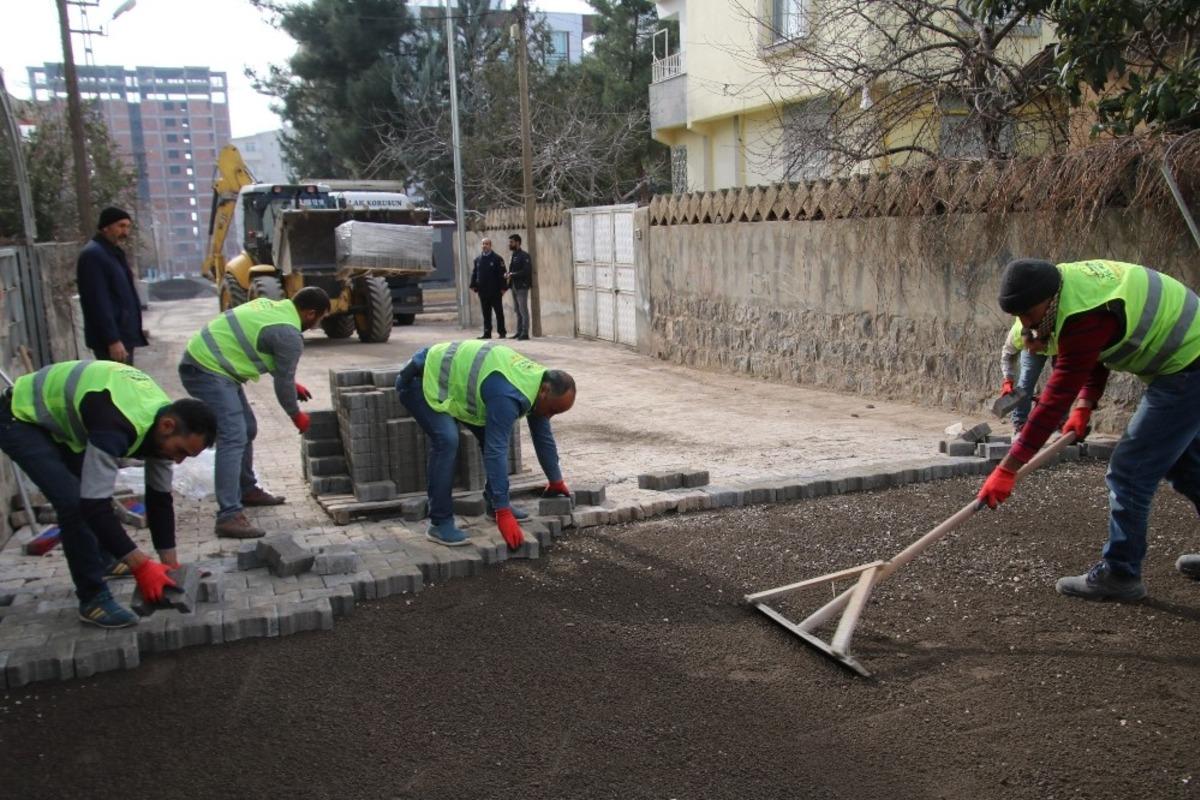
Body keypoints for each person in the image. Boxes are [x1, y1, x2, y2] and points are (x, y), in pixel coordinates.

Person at [977, 258, 1200, 601]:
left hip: (1188, 366)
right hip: (1186, 360)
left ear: (1047, 298)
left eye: (1028, 313)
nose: (1025, 323)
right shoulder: (1068, 291)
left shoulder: (1081, 315)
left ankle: (1121, 574)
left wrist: (1008, 467)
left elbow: (1053, 401)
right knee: (1186, 467)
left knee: (1129, 471)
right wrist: (1084, 406)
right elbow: (1099, 355)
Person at [0, 360, 216, 628]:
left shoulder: (162, 428)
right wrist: (141, 565)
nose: (179, 461)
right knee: (75, 504)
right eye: (181, 451)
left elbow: (159, 499)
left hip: (68, 422)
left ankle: (106, 560)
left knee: (91, 493)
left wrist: (170, 567)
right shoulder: (116, 424)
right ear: (168, 426)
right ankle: (93, 600)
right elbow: (93, 505)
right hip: (21, 417)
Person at [178, 287, 330, 539]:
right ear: (310, 313)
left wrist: (290, 382)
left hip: (213, 363)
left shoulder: (274, 308)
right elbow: (281, 384)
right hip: (206, 368)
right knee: (233, 435)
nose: (316, 326)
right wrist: (296, 415)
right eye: (319, 320)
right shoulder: (290, 334)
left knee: (247, 427)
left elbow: (260, 343)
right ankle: (228, 515)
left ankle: (246, 489)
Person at [395, 340, 576, 548]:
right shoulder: (509, 394)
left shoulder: (538, 385)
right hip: (420, 379)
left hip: (452, 383)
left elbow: (542, 436)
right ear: (545, 391)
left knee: (494, 437)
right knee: (447, 440)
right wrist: (504, 512)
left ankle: (492, 502)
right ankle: (439, 522)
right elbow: (495, 451)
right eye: (553, 409)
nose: (550, 416)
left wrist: (556, 480)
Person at [77, 207, 149, 365]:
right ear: (105, 227)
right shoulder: (94, 255)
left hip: (123, 335)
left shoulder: (112, 253)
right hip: (113, 341)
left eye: (128, 227)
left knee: (124, 384)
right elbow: (97, 302)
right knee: (116, 385)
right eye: (121, 226)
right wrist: (112, 340)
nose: (125, 232)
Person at [998, 319, 1050, 432]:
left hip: (1056, 346)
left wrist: (1051, 397)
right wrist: (1008, 380)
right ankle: (1020, 422)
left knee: (1061, 386)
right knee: (1025, 381)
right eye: (1027, 347)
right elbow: (1007, 356)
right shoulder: (1017, 334)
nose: (1029, 352)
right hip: (1041, 344)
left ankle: (1061, 421)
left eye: (1032, 348)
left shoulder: (1060, 335)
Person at [470, 238, 508, 339]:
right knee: (486, 314)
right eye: (483, 244)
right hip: (483, 292)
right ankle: (487, 333)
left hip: (495, 291)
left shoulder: (497, 259)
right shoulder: (478, 260)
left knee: (499, 312)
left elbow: (503, 274)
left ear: (490, 245)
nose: (485, 246)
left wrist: (503, 288)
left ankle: (502, 332)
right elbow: (475, 273)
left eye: (487, 244)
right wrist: (473, 285)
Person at [506, 233, 532, 341]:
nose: (509, 244)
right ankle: (519, 331)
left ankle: (525, 333)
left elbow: (526, 271)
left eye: (511, 242)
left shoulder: (524, 256)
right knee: (517, 310)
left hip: (522, 286)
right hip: (514, 286)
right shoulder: (514, 255)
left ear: (517, 242)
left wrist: (512, 275)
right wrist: (508, 275)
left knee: (523, 310)